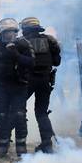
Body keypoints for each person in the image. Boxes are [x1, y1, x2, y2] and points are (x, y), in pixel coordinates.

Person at [0, 18, 34, 157]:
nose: (10, 35)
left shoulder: (23, 44)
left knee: (19, 115)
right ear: (0, 33)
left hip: (19, 85)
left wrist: (16, 54)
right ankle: (3, 144)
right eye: (7, 33)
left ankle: (21, 146)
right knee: (1, 115)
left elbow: (32, 62)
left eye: (12, 32)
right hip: (0, 86)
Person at [20, 17, 61, 153]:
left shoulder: (22, 42)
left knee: (18, 109)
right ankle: (47, 145)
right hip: (45, 81)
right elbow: (56, 62)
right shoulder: (50, 41)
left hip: (28, 81)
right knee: (41, 113)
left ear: (25, 29)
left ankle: (16, 144)